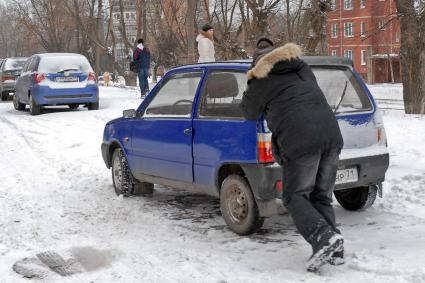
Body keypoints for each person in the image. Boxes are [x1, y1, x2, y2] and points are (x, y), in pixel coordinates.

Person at [240, 41, 345, 272]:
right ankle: (335, 249)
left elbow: (248, 112)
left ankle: (323, 237)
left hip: (300, 141)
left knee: (293, 196)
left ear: (258, 62)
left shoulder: (260, 79)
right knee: (321, 196)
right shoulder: (301, 68)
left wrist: (251, 80)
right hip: (331, 136)